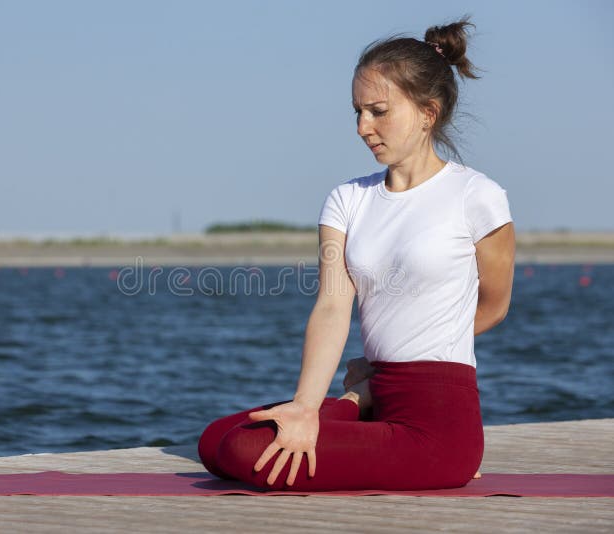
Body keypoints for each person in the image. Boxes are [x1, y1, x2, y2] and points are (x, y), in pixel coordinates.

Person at [197, 16, 515, 491]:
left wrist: (417, 347)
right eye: (357, 112)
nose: (364, 126)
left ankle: (362, 406)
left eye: (379, 111)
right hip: (378, 392)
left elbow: (494, 304)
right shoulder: (347, 199)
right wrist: (308, 405)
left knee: (243, 450)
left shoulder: (477, 197)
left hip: (438, 427)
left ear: (428, 113)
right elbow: (331, 305)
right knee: (214, 440)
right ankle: (357, 402)